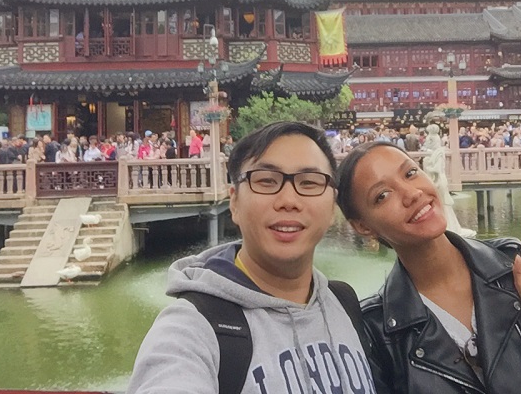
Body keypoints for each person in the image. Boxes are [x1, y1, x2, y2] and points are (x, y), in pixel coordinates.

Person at [335, 140, 521, 394]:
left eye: (410, 173)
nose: (412, 193)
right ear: (363, 227)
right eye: (382, 195)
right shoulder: (376, 329)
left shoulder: (513, 265)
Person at [127, 121, 376, 394]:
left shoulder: (344, 303)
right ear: (234, 202)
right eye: (266, 181)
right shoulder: (192, 328)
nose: (288, 200)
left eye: (309, 182)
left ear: (332, 206)